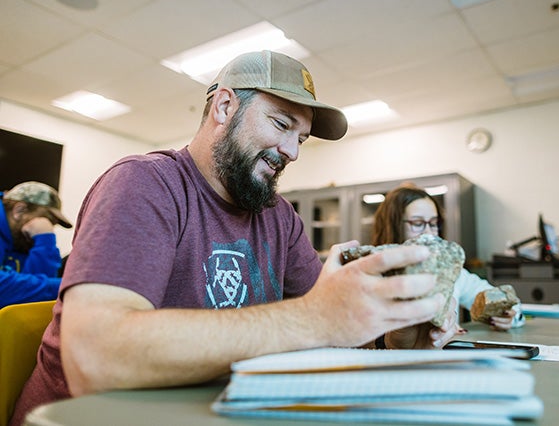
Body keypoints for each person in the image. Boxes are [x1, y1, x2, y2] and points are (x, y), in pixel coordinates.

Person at [10, 51, 456, 426]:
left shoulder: (279, 216)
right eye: (282, 125)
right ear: (224, 107)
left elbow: (331, 328)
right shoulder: (144, 184)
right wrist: (312, 318)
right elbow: (97, 359)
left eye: (301, 138)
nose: (293, 152)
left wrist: (391, 338)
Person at [372, 183, 525, 331]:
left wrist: (509, 316)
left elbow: (503, 300)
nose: (429, 233)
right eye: (418, 223)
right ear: (392, 226)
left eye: (433, 223)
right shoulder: (371, 274)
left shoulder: (451, 273)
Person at [1, 181, 72, 309]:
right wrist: (69, 287)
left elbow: (32, 302)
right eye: (45, 219)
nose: (47, 226)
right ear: (19, 210)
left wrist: (44, 240)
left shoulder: (20, 240)